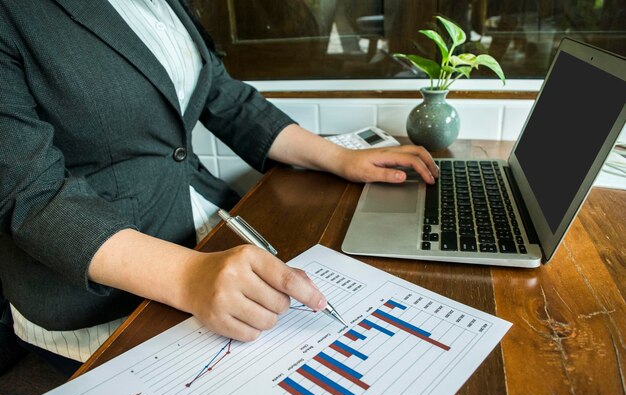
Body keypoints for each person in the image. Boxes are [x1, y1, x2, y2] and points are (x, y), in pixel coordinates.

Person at [0, 0, 438, 375]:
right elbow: (32, 193)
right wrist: (188, 275)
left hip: (202, 229)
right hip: (97, 292)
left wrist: (338, 157)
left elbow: (222, 96)